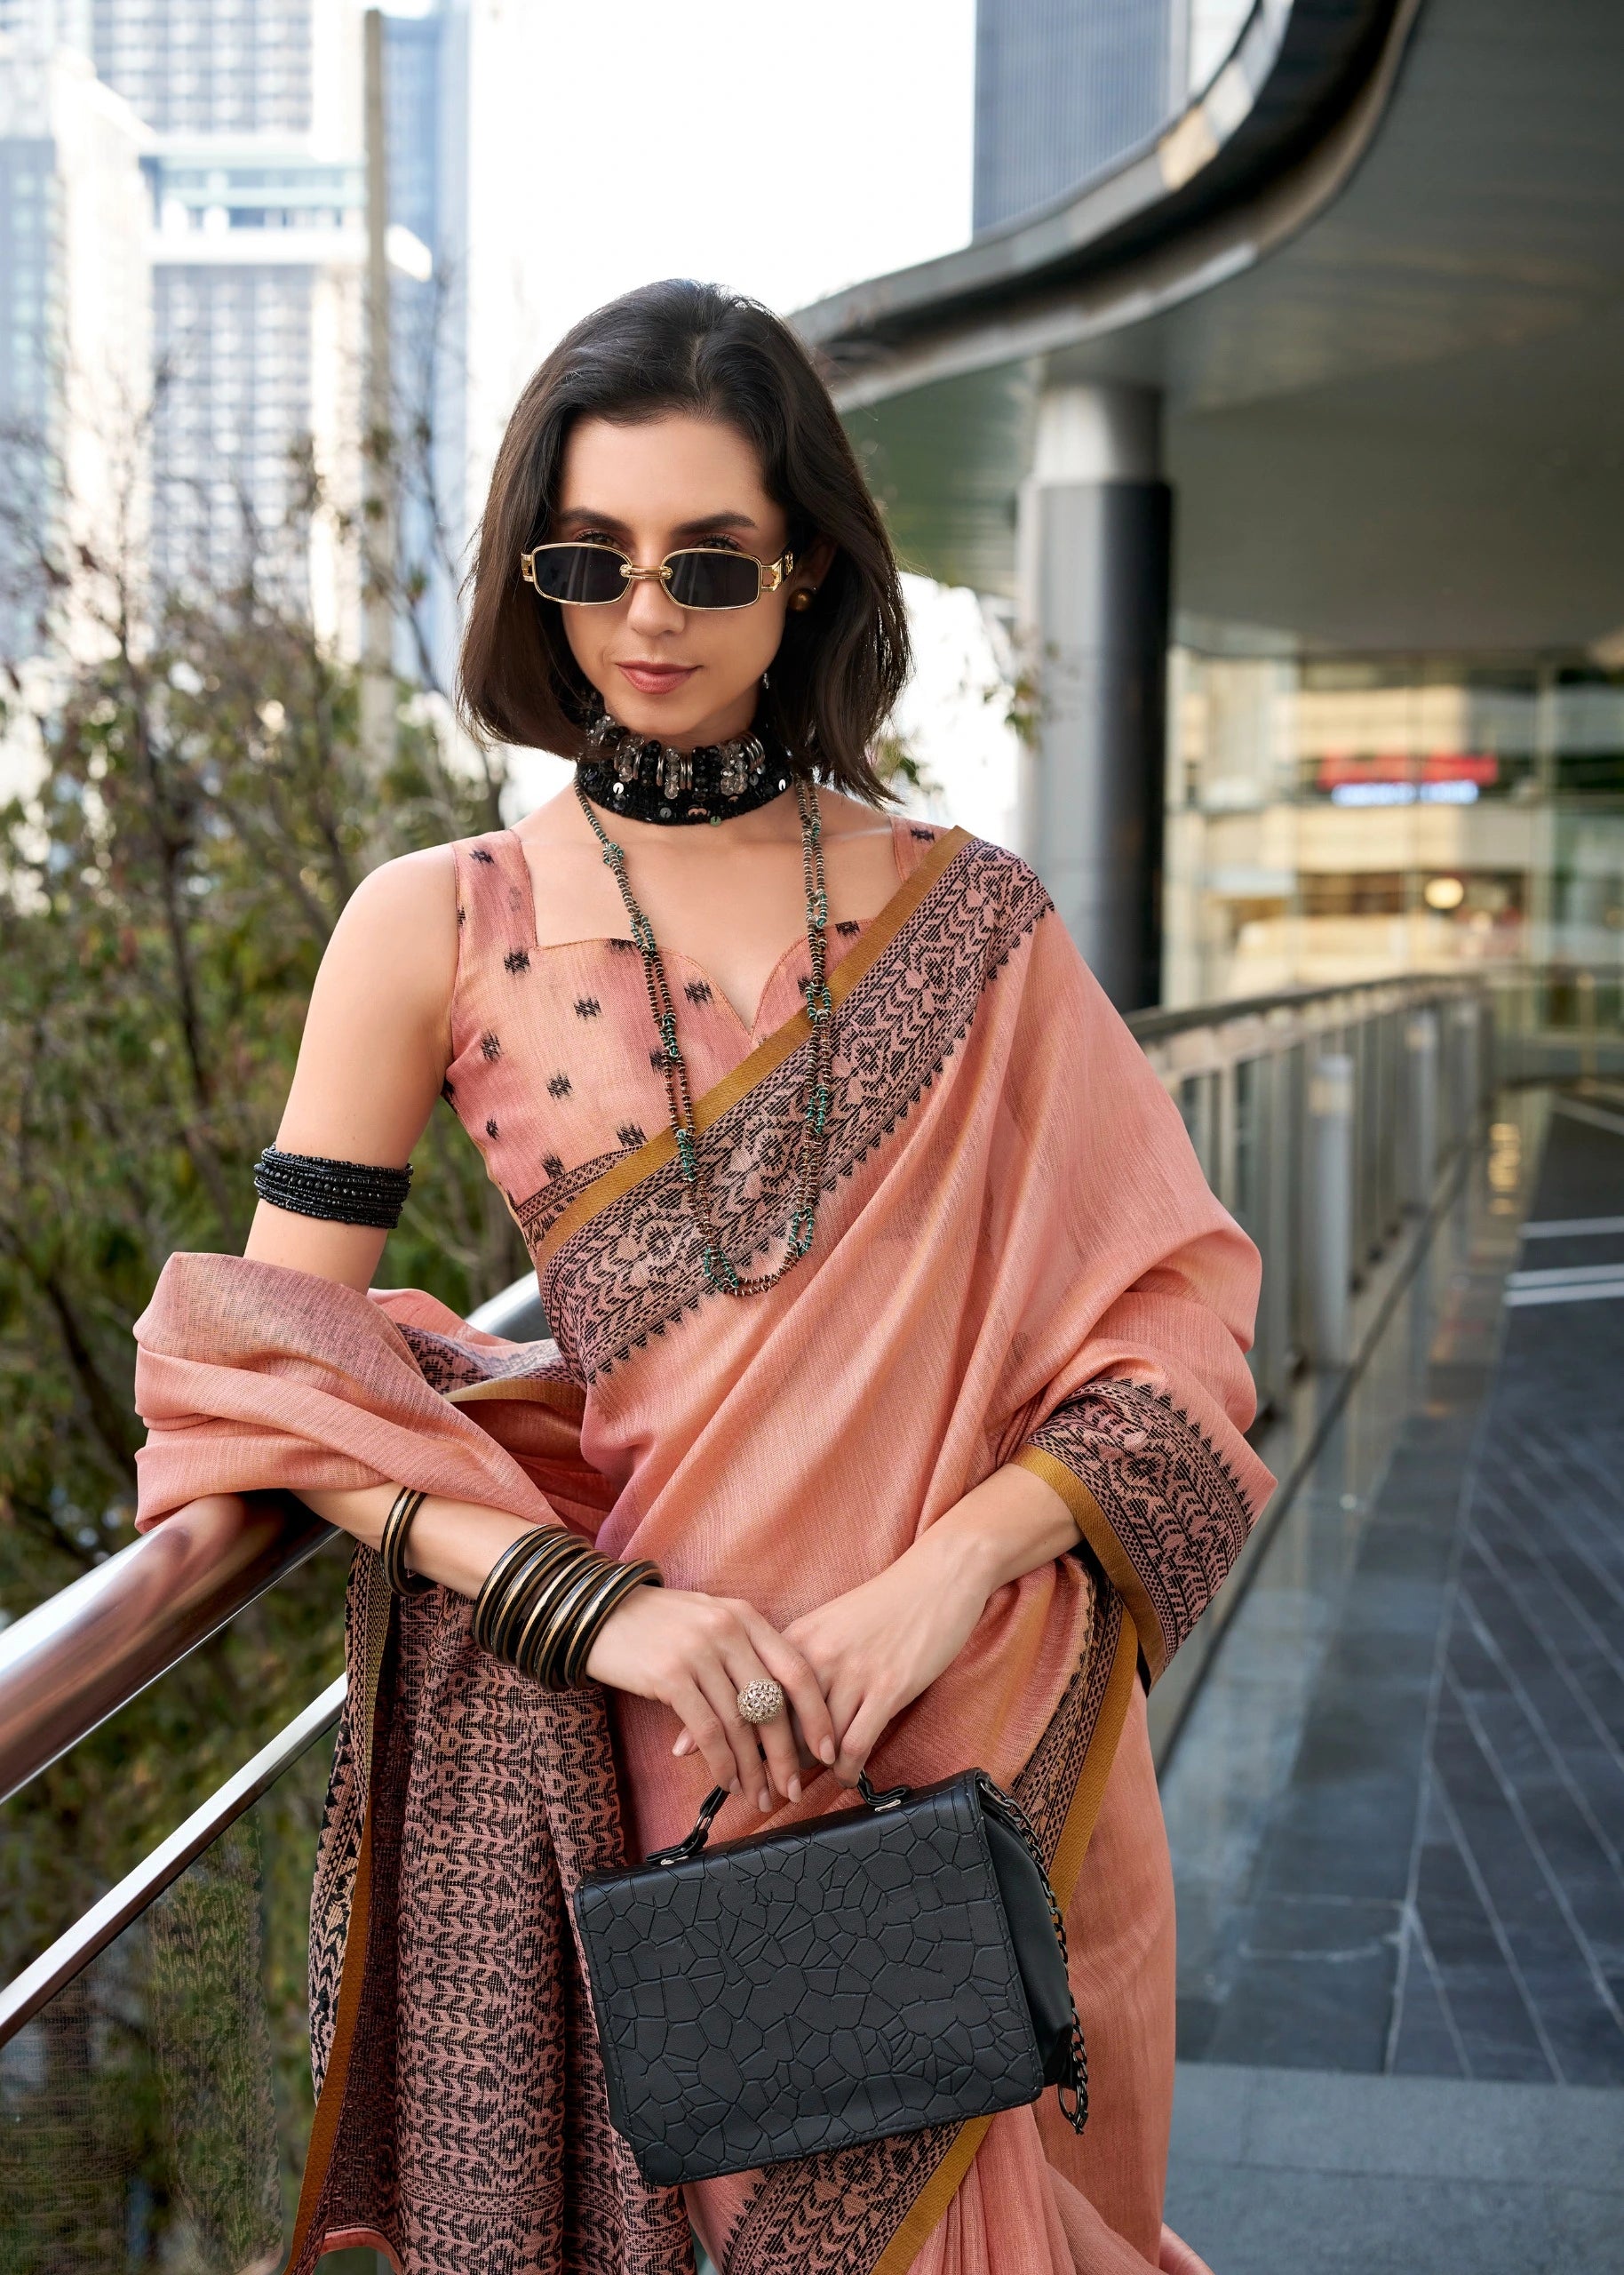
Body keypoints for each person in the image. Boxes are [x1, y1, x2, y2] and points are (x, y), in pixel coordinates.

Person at [133, 280, 1274, 2275]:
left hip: (967, 1718)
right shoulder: (432, 923)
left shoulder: (974, 929)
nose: (642, 614)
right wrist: (604, 1616)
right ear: (532, 577)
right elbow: (265, 1364)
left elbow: (1172, 1328)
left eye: (705, 561)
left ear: (805, 563)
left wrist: (938, 1584)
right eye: (588, 562)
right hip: (662, 1738)